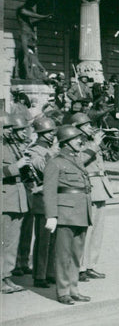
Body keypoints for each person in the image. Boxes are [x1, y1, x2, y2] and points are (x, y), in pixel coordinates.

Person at [42, 125, 93, 305]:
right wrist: (51, 215)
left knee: (76, 254)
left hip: (81, 212)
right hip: (65, 213)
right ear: (66, 142)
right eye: (77, 139)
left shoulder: (76, 160)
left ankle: (74, 288)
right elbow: (49, 192)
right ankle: (63, 291)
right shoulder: (55, 162)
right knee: (63, 255)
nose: (81, 141)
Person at [67, 113, 114, 282]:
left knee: (97, 231)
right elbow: (79, 161)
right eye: (86, 125)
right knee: (85, 230)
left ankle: (90, 265)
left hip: (101, 186)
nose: (89, 127)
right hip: (90, 186)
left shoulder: (90, 141)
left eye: (89, 125)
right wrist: (94, 144)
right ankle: (79, 266)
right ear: (76, 127)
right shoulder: (75, 142)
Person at [2, 114, 32, 294]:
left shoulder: (12, 147)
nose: (9, 132)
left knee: (12, 242)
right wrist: (16, 166)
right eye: (6, 128)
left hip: (17, 198)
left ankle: (7, 275)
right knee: (3, 241)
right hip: (4, 199)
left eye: (10, 129)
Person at [27, 117, 58, 288]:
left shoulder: (51, 149)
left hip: (53, 197)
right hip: (41, 199)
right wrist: (52, 153)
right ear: (42, 133)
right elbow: (43, 168)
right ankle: (39, 275)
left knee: (54, 239)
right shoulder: (34, 151)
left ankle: (50, 272)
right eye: (50, 132)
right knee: (43, 239)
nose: (53, 134)